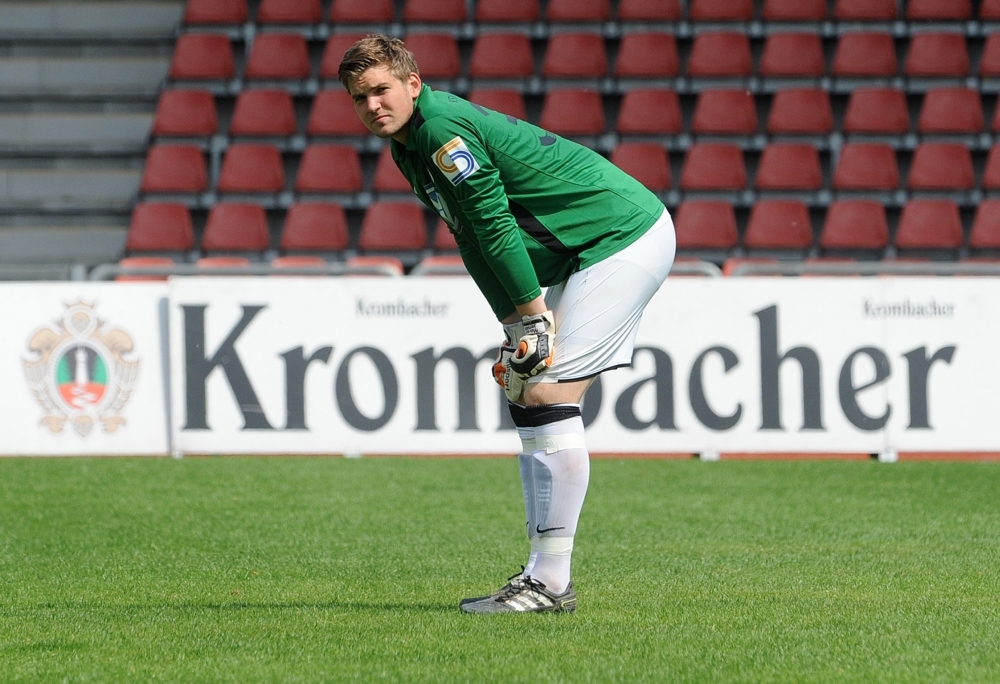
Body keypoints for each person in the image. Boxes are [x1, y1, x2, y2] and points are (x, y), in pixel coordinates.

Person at [339, 35, 675, 614]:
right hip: (590, 250)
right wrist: (515, 321)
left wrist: (532, 312)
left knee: (544, 393)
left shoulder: (439, 129)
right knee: (527, 389)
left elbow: (493, 224)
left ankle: (548, 584)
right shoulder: (409, 143)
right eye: (358, 97)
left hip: (620, 238)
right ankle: (542, 577)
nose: (372, 105)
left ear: (412, 85)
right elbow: (469, 238)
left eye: (381, 90)